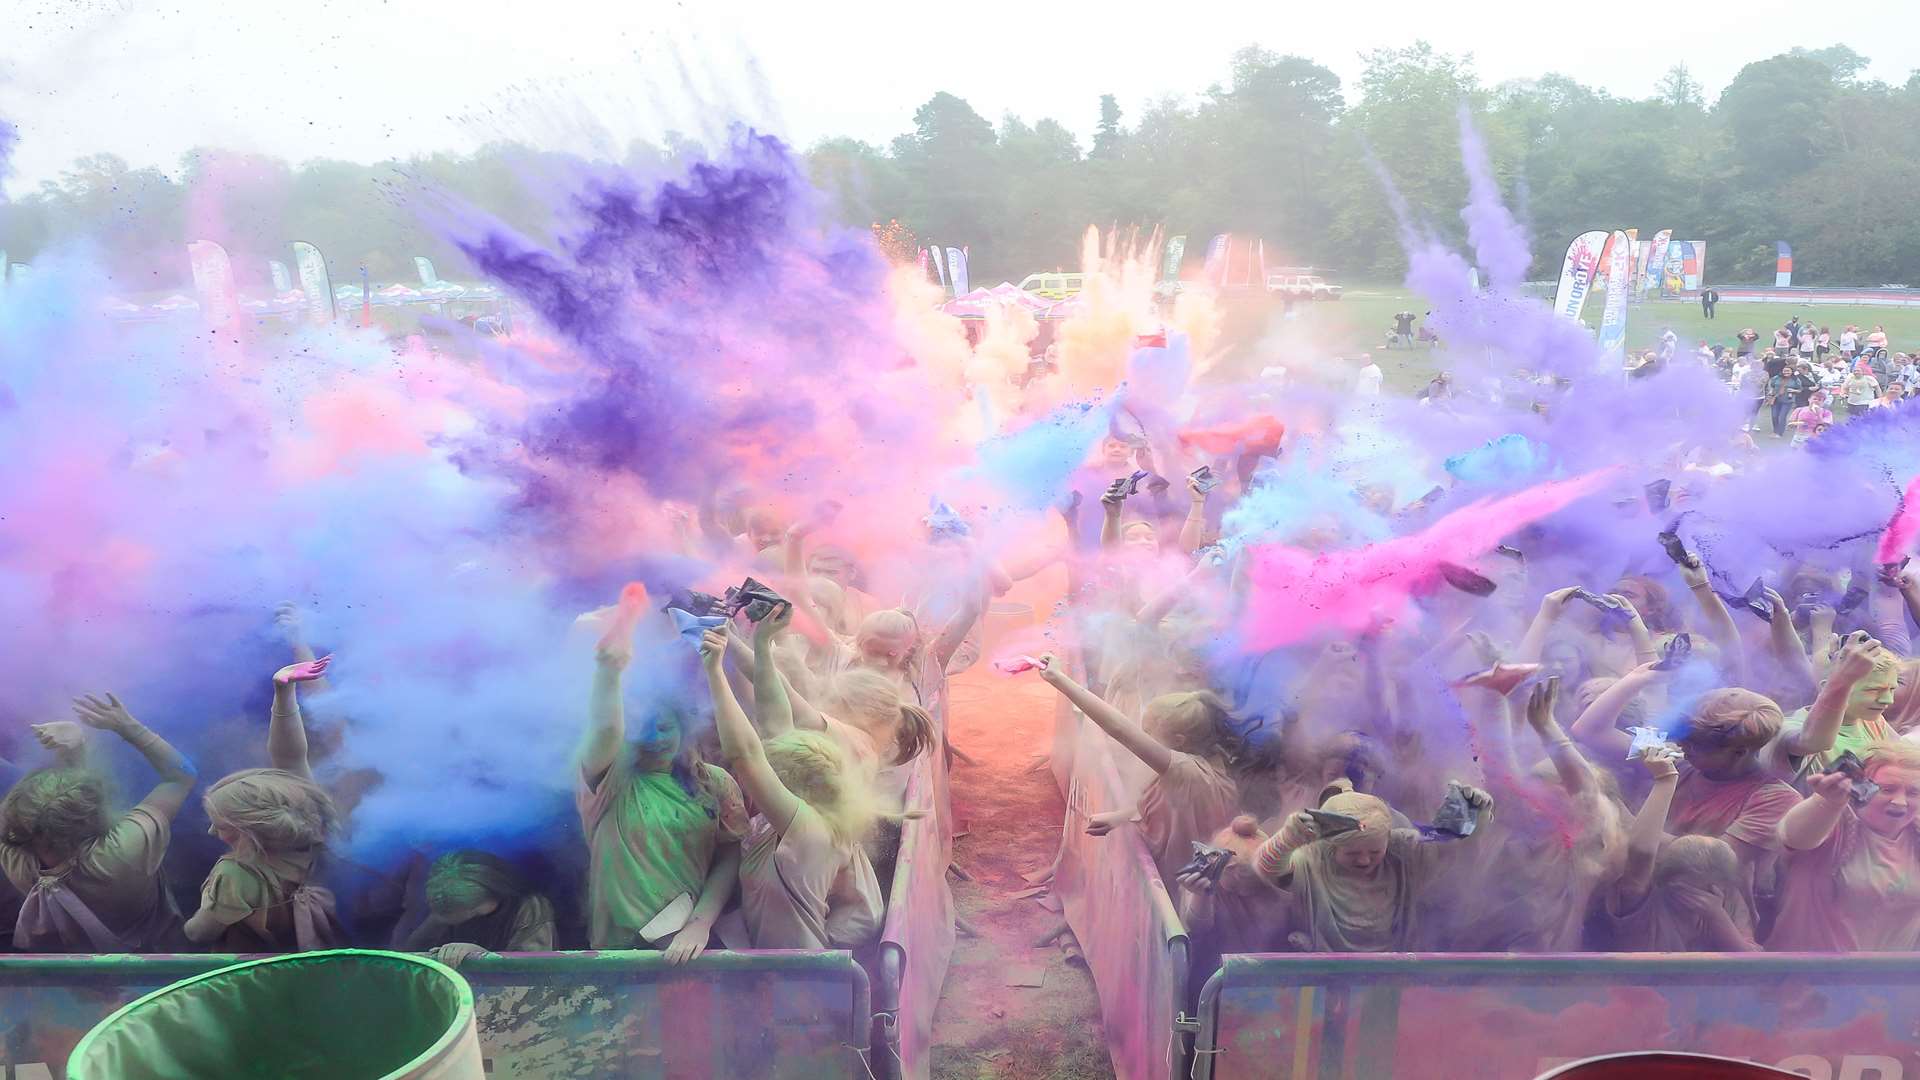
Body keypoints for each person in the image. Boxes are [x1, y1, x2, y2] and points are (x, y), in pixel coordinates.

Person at [575, 599, 745, 958]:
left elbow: (730, 853)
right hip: (616, 951)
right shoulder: (611, 780)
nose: (655, 738)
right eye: (642, 728)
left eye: (665, 726)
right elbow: (605, 729)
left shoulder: (713, 782)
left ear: (684, 727)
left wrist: (700, 923)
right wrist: (609, 670)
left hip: (687, 948)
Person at [699, 625, 883, 951]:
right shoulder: (818, 808)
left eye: (774, 771)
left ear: (787, 784)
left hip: (795, 980)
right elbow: (775, 719)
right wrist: (755, 642)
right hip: (774, 963)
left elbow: (746, 756)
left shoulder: (808, 831)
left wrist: (714, 674)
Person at [0, 694, 197, 951]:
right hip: (152, 965)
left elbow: (37, 818)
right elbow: (181, 776)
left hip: (69, 973)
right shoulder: (124, 850)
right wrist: (126, 726)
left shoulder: (16, 861)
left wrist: (73, 753)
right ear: (93, 814)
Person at [1032, 655, 1240, 886]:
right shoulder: (1211, 762)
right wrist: (1121, 817)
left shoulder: (1184, 770)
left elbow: (1119, 729)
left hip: (1179, 884)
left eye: (1148, 732)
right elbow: (1177, 806)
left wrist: (1059, 679)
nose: (1143, 736)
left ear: (1180, 741)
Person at [183, 657, 345, 951]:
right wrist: (283, 693)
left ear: (254, 831)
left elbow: (200, 933)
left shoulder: (237, 874)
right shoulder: (312, 826)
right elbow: (291, 757)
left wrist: (183, 926)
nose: (211, 832)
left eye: (222, 826)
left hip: (259, 970)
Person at [1249, 778, 1494, 952]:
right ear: (1330, 845)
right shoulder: (1314, 858)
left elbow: (1451, 849)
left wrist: (1475, 816)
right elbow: (1268, 868)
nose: (1365, 860)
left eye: (1375, 851)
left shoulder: (1402, 851)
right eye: (1352, 852)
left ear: (1388, 838)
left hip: (1392, 974)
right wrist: (1289, 838)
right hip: (1326, 976)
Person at [1597, 746, 1758, 951]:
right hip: (1644, 981)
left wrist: (1716, 916)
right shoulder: (1643, 901)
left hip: (1705, 983)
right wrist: (1665, 779)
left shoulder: (1727, 899)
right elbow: (1640, 854)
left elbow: (1751, 959)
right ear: (1670, 882)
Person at [1768, 744, 1920, 951]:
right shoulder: (1835, 823)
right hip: (1812, 976)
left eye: (1914, 792)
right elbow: (1794, 837)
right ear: (1859, 785)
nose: (1900, 802)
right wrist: (1827, 802)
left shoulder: (1915, 835)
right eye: (1887, 789)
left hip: (1890, 978)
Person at [399, 851, 557, 967]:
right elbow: (408, 954)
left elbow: (535, 967)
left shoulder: (530, 907)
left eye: (472, 912)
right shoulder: (445, 905)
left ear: (494, 890)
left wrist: (483, 956)